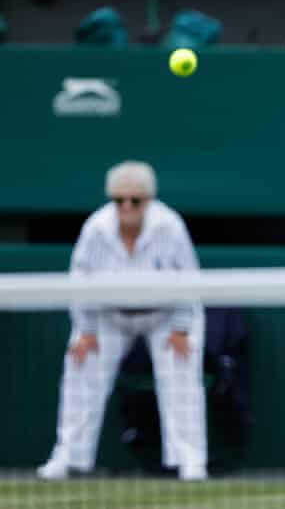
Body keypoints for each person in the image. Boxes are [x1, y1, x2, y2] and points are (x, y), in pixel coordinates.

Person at [37, 161, 208, 482]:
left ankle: (191, 462)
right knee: (81, 370)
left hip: (165, 316)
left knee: (181, 380)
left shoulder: (169, 226)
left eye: (135, 200)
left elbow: (189, 277)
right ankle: (67, 456)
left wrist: (182, 328)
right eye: (119, 200)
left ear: (149, 200)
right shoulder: (96, 228)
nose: (126, 207)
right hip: (108, 316)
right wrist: (85, 331)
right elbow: (80, 280)